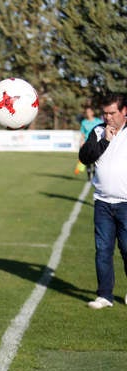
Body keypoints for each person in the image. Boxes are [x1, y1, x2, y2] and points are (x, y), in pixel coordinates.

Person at [79, 92, 127, 310]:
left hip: (126, 204)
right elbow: (85, 157)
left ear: (124, 111)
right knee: (103, 250)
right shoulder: (98, 131)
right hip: (102, 203)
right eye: (105, 113)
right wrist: (105, 141)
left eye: (112, 113)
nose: (107, 117)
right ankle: (105, 295)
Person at [75, 104, 103, 179]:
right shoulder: (84, 122)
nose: (88, 113)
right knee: (87, 160)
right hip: (87, 143)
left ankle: (94, 175)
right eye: (86, 112)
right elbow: (83, 134)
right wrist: (81, 143)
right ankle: (89, 177)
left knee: (94, 160)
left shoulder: (98, 121)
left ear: (92, 112)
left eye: (89, 111)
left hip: (96, 143)